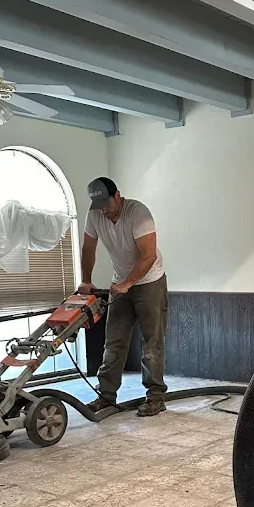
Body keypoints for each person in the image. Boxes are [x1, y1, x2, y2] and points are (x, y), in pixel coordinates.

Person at [79, 177, 168, 417]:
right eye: (98, 206)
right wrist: (86, 280)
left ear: (117, 195)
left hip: (149, 281)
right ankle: (106, 396)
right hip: (120, 284)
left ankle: (155, 397)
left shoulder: (138, 213)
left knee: (151, 342)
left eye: (107, 204)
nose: (103, 211)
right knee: (114, 340)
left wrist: (129, 283)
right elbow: (89, 248)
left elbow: (148, 256)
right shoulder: (95, 215)